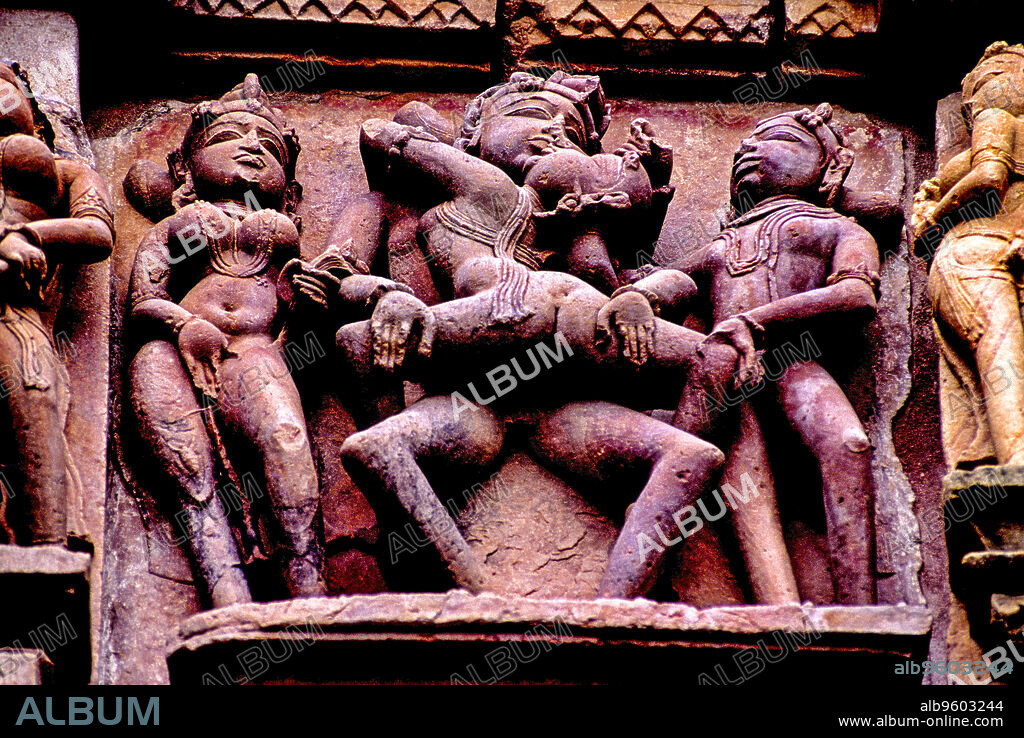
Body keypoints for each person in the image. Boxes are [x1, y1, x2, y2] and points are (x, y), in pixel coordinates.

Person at [676, 104, 880, 604]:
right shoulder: (723, 244)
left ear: (829, 166)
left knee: (848, 444)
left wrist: (754, 320)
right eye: (745, 145)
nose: (751, 149)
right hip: (729, 374)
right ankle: (776, 609)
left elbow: (857, 296)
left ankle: (859, 609)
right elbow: (673, 282)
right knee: (748, 491)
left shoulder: (835, 228)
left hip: (792, 360)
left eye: (781, 140)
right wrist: (640, 294)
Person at [0, 61, 113, 547]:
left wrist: (29, 234)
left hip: (18, 310)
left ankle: (48, 543)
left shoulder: (66, 171)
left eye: (3, 89)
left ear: (37, 117)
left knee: (35, 395)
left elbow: (98, 232)